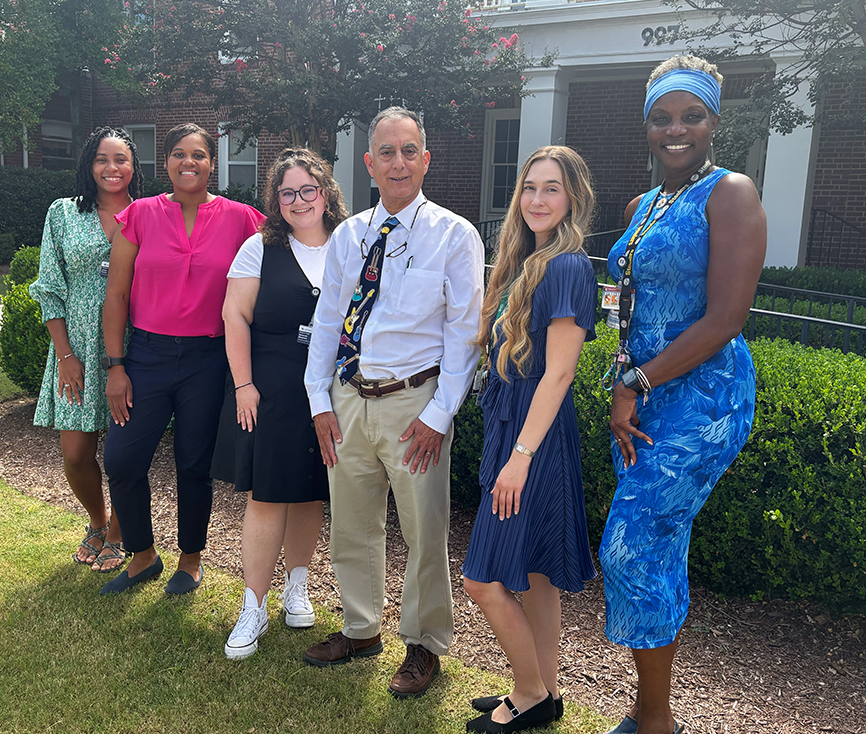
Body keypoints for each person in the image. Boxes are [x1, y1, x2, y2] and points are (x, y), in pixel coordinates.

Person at [598, 55, 766, 734]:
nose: (675, 129)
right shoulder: (642, 205)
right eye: (661, 117)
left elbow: (726, 318)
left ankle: (657, 723)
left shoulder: (731, 194)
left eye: (690, 115)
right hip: (642, 398)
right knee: (656, 547)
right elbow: (628, 299)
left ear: (712, 121)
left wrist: (634, 381)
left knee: (629, 547)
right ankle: (645, 712)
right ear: (646, 125)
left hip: (701, 398)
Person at [301, 107, 484, 698]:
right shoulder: (350, 235)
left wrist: (440, 412)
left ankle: (424, 645)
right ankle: (360, 629)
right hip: (349, 398)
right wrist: (318, 399)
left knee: (425, 533)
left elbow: (464, 335)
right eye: (388, 152)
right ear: (369, 162)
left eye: (410, 151)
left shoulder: (456, 236)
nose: (399, 162)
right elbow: (328, 321)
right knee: (352, 524)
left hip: (416, 405)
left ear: (425, 160)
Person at [461, 146, 598, 734]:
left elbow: (559, 373)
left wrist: (519, 457)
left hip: (532, 442)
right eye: (530, 188)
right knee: (537, 574)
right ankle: (547, 688)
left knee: (481, 579)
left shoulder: (566, 265)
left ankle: (528, 692)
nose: (538, 200)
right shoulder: (529, 261)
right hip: (516, 432)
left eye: (553, 189)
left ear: (573, 198)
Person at [99, 123, 265, 596]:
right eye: (177, 154)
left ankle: (190, 559)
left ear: (212, 163)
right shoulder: (140, 215)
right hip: (146, 356)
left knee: (194, 464)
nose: (187, 162)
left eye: (198, 155)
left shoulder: (241, 219)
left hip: (209, 360)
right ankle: (143, 554)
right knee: (122, 460)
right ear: (165, 162)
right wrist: (116, 365)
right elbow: (115, 296)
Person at [215, 148, 349, 658]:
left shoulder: (349, 243)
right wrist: (244, 385)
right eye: (287, 192)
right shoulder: (259, 248)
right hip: (270, 386)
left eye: (308, 190)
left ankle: (297, 587)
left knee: (311, 490)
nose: (299, 201)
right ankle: (254, 605)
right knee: (267, 494)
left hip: (333, 391)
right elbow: (235, 317)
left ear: (325, 192)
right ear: (276, 199)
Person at [30, 127, 143, 574]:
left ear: (134, 167)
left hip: (132, 345)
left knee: (125, 452)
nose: (111, 168)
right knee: (76, 454)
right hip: (75, 345)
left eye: (121, 160)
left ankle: (118, 531)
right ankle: (96, 521)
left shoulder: (147, 214)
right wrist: (65, 354)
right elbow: (50, 286)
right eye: (102, 159)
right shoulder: (63, 213)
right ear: (88, 164)